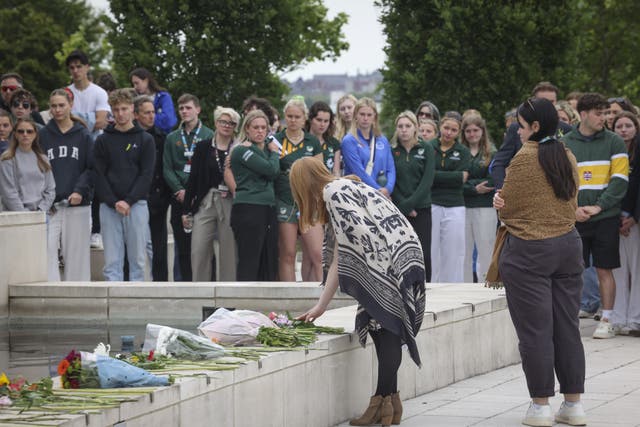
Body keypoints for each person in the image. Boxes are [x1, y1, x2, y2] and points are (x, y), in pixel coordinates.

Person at [292, 156, 426, 427]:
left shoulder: (333, 192)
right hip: (401, 251)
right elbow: (344, 251)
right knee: (381, 326)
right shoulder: (344, 186)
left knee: (386, 326)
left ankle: (379, 402)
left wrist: (368, 279)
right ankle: (391, 403)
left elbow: (357, 243)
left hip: (389, 258)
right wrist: (321, 307)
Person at [492, 97, 586, 427]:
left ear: (534, 127)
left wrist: (498, 202)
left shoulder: (524, 159)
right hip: (568, 246)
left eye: (519, 126)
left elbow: (510, 209)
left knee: (535, 332)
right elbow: (573, 198)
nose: (516, 132)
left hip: (529, 250)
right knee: (567, 327)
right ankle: (573, 405)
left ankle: (541, 406)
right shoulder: (568, 154)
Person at [563, 93, 629, 340]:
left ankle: (608, 319)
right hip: (575, 217)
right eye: (599, 113)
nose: (604, 118)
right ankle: (569, 319)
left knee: (604, 268)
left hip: (605, 217)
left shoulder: (614, 141)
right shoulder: (566, 142)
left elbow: (620, 180)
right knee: (571, 270)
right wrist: (574, 209)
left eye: (605, 113)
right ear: (583, 114)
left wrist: (599, 207)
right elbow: (561, 181)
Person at [94, 89, 155, 282]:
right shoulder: (103, 140)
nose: (120, 114)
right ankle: (112, 305)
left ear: (132, 110)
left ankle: (137, 304)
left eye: (124, 109)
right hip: (109, 206)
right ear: (111, 111)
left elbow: (146, 175)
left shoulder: (145, 139)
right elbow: (98, 174)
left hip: (136, 205)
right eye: (116, 109)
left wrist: (128, 201)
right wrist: (113, 202)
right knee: (112, 262)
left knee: (137, 260)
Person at [39, 89, 94, 282]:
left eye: (61, 105)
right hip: (51, 206)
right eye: (53, 106)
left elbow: (91, 167)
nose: (57, 109)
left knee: (77, 257)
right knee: (46, 254)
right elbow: (39, 168)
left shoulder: (83, 135)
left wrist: (80, 190)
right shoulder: (43, 135)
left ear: (71, 105)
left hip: (78, 204)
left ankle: (79, 302)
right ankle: (51, 299)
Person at [183, 106, 240, 282]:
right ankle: (201, 296)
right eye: (223, 121)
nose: (226, 125)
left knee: (229, 253)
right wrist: (186, 209)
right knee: (199, 250)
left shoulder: (239, 148)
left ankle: (228, 299)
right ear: (216, 123)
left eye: (231, 123)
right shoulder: (203, 147)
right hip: (206, 201)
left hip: (230, 202)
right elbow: (193, 179)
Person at [163, 93, 214, 281]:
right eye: (181, 108)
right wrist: (179, 190)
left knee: (203, 245)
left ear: (198, 110)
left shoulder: (209, 135)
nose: (184, 111)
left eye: (188, 108)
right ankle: (183, 285)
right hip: (180, 198)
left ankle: (206, 284)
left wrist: (195, 193)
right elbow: (167, 168)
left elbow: (211, 169)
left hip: (201, 199)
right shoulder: (172, 138)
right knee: (182, 245)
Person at [273, 98, 323, 282]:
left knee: (318, 254)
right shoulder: (276, 141)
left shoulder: (313, 142)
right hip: (285, 200)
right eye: (289, 116)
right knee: (288, 254)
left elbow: (319, 174)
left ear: (304, 119)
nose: (293, 120)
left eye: (297, 117)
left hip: (309, 202)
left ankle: (322, 302)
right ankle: (288, 304)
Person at [65, 50, 111, 250]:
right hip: (71, 146)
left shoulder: (98, 92)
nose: (76, 71)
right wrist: (88, 119)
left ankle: (96, 231)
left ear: (87, 67)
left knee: (97, 186)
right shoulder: (66, 92)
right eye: (72, 67)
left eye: (79, 66)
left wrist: (75, 118)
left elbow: (101, 121)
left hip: (95, 146)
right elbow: (61, 119)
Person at [228, 110, 280, 281]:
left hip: (268, 208)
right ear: (247, 129)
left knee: (269, 259)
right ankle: (244, 304)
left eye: (263, 127)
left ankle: (266, 306)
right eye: (255, 127)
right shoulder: (241, 150)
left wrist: (272, 152)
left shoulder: (267, 148)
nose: (260, 131)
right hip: (249, 208)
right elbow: (271, 170)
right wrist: (274, 153)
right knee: (249, 260)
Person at [491, 81, 571, 189]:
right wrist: (502, 192)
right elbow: (498, 164)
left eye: (552, 101)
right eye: (543, 101)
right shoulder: (517, 128)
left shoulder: (566, 129)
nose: (548, 105)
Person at [391, 111, 435, 281]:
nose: (404, 130)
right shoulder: (392, 149)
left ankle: (426, 286)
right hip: (399, 209)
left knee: (423, 252)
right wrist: (403, 206)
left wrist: (410, 205)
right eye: (400, 126)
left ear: (415, 127)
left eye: (408, 126)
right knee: (400, 252)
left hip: (421, 208)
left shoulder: (426, 148)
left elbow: (427, 180)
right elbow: (391, 180)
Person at [133, 95, 170, 281]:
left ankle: (161, 284)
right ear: (137, 115)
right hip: (134, 198)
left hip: (157, 200)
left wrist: (163, 197)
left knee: (159, 247)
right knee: (134, 248)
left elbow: (165, 169)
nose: (151, 116)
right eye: (147, 113)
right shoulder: (129, 137)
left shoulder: (162, 138)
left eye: (153, 112)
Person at [430, 114, 471, 283]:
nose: (448, 133)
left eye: (453, 130)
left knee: (454, 250)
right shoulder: (429, 146)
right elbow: (427, 176)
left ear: (459, 132)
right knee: (432, 249)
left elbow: (462, 178)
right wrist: (452, 176)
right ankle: (430, 284)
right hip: (432, 202)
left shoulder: (463, 151)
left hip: (455, 204)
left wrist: (436, 176)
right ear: (440, 127)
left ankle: (453, 286)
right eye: (446, 128)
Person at [611, 111, 640, 334]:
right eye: (619, 125)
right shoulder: (610, 152)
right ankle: (618, 318)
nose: (623, 129)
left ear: (636, 127)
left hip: (635, 220)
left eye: (628, 125)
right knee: (618, 270)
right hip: (612, 219)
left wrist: (633, 218)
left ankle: (635, 319)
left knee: (637, 270)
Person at [461, 114, 496, 283]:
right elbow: (456, 180)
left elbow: (493, 180)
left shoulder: (491, 152)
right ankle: (466, 288)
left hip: (486, 207)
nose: (472, 134)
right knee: (464, 251)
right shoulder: (459, 152)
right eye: (468, 131)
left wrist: (469, 183)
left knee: (486, 249)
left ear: (482, 131)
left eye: (475, 130)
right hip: (464, 206)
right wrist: (473, 188)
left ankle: (486, 286)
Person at [341, 97, 395, 198]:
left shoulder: (382, 140)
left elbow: (391, 168)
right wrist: (378, 191)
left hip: (382, 196)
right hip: (358, 195)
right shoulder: (349, 141)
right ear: (356, 115)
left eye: (369, 115)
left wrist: (388, 188)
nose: (365, 118)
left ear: (374, 117)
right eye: (362, 114)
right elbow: (358, 172)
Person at [0, 118, 55, 212]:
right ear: (16, 134)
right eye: (21, 131)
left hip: (41, 214)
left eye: (29, 131)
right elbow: (8, 192)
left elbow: (50, 190)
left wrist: (41, 210)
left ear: (35, 134)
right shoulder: (7, 158)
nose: (25, 134)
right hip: (16, 215)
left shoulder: (43, 159)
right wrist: (24, 213)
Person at [130, 68, 177, 134]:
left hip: (162, 138)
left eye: (137, 83)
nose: (135, 87)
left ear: (146, 81)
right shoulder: (135, 99)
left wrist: (144, 119)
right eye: (133, 84)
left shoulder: (163, 97)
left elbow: (169, 120)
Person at [307, 101, 341, 176]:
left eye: (326, 121)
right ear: (310, 119)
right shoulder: (302, 139)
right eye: (319, 120)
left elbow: (336, 172)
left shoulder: (334, 143)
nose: (322, 124)